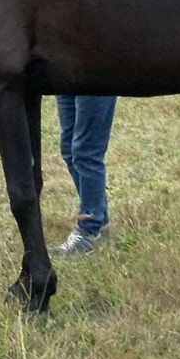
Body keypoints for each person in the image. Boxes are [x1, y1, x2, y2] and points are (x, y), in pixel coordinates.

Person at [53, 94, 117, 256]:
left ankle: (90, 229)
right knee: (69, 148)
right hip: (65, 75)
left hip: (93, 74)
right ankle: (100, 221)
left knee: (86, 151)